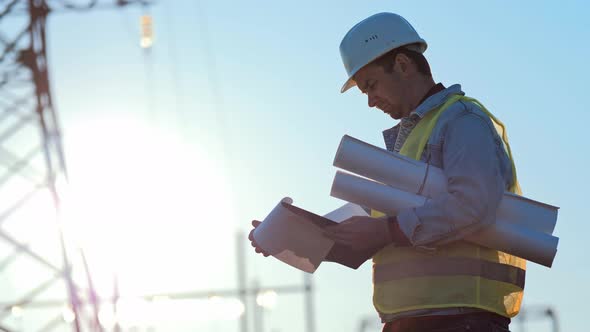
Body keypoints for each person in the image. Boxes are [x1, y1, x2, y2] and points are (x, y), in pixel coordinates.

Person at [250, 12, 525, 332]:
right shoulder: (407, 147)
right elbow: (379, 233)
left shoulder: (462, 121)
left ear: (403, 65)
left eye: (371, 85)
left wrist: (386, 231)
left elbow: (473, 205)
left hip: (461, 320)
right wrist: (296, 239)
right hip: (411, 321)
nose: (369, 101)